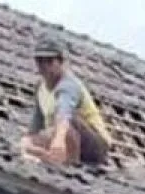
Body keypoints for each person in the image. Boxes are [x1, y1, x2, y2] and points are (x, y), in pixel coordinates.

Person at [19, 34, 112, 166]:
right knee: (27, 142)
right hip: (57, 136)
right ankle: (51, 157)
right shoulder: (40, 88)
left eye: (50, 61)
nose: (45, 66)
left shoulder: (68, 85)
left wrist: (58, 140)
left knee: (67, 121)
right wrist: (28, 142)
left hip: (93, 145)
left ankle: (70, 164)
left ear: (60, 62)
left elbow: (64, 113)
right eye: (40, 61)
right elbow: (35, 126)